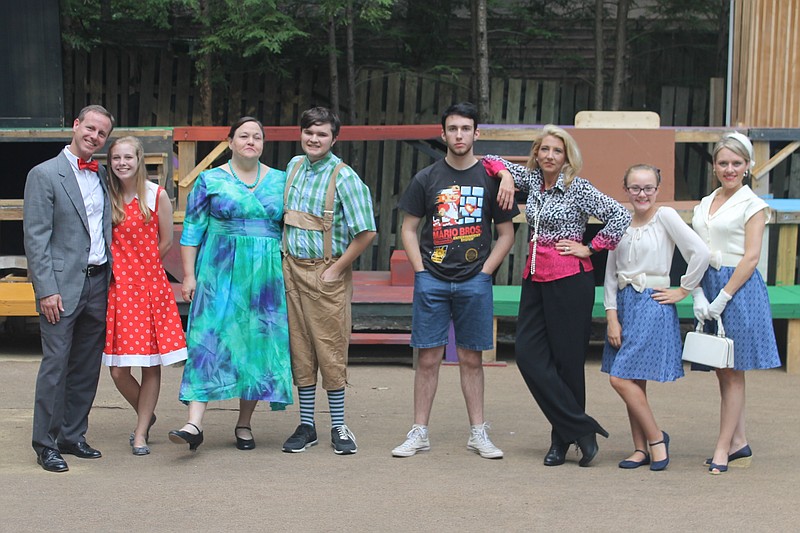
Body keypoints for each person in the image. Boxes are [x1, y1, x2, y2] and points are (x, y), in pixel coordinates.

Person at [482, 125, 630, 467]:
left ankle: (561, 442)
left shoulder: (577, 188)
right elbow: (488, 159)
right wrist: (505, 175)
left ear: (567, 157)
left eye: (557, 151)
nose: (549, 155)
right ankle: (582, 428)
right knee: (529, 355)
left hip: (569, 281)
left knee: (567, 362)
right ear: (537, 152)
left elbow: (619, 215)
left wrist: (590, 248)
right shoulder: (531, 180)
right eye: (544, 149)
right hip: (535, 277)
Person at [391, 102, 518, 459]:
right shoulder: (427, 178)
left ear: (476, 133)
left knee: (471, 358)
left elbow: (506, 233)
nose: (459, 135)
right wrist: (419, 270)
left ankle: (478, 432)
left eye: (466, 128)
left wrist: (485, 272)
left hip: (474, 281)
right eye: (453, 129)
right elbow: (409, 228)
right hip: (431, 279)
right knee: (428, 359)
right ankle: (419, 431)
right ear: (443, 133)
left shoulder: (492, 179)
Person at [168, 117, 293, 451]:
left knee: (255, 343)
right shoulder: (210, 179)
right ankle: (194, 423)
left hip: (264, 277)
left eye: (257, 136)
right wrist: (189, 275)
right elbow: (192, 230)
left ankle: (244, 423)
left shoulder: (281, 181)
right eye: (243, 136)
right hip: (218, 273)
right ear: (230, 141)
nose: (250, 141)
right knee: (207, 340)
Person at [23, 104, 115, 472]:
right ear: (76, 126)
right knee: (55, 366)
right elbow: (35, 237)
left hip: (99, 282)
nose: (94, 137)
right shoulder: (44, 174)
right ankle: (45, 443)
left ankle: (73, 435)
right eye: (89, 129)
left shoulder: (104, 175)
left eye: (101, 134)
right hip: (60, 286)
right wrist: (45, 289)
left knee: (86, 366)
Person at [281, 106, 376, 455]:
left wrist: (336, 270)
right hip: (291, 269)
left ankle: (338, 425)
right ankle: (307, 425)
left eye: (322, 134)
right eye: (309, 132)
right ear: (301, 133)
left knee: (330, 348)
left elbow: (366, 232)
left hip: (326, 273)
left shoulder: (345, 177)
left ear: (334, 139)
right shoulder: (292, 167)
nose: (314, 139)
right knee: (301, 348)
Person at [602, 164, 709, 471]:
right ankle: (639, 449)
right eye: (635, 188)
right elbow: (610, 274)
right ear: (626, 190)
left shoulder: (665, 217)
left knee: (619, 377)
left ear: (657, 190)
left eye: (648, 188)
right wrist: (612, 316)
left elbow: (699, 252)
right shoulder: (619, 221)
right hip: (624, 303)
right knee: (632, 377)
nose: (642, 194)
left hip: (652, 302)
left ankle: (656, 439)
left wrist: (683, 290)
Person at [691, 132, 780, 475]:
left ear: (746, 167)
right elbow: (696, 250)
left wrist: (722, 297)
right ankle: (739, 440)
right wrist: (698, 292)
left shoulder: (753, 205)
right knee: (722, 368)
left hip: (738, 290)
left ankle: (722, 448)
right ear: (714, 166)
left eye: (736, 163)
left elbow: (751, 257)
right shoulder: (704, 202)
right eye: (723, 162)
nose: (729, 169)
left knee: (732, 371)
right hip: (709, 284)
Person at [102, 136, 188, 456]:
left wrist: (144, 267)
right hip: (118, 290)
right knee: (118, 369)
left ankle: (140, 433)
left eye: (128, 157)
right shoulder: (107, 195)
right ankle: (147, 414)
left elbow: (166, 240)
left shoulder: (156, 195)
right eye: (116, 158)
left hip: (149, 288)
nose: (122, 163)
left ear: (139, 160)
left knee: (150, 365)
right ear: (110, 162)